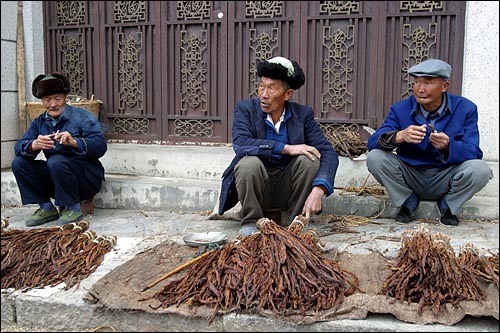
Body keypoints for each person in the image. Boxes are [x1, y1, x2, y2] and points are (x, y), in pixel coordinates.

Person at [217, 56, 339, 235]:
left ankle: (296, 220)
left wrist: (320, 188)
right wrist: (287, 148)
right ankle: (252, 220)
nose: (264, 95)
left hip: (286, 188)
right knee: (247, 163)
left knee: (309, 160)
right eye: (261, 86)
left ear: (287, 94)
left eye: (271, 88)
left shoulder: (302, 115)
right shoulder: (246, 109)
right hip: (259, 188)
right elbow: (241, 144)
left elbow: (328, 152)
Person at [366, 59, 493, 226]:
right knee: (375, 157)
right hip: (411, 174)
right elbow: (373, 141)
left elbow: (474, 151)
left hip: (446, 175)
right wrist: (399, 136)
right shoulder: (400, 109)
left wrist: (449, 146)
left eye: (428, 83)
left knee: (480, 169)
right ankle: (407, 199)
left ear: (444, 86)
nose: (420, 89)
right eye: (417, 82)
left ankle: (449, 203)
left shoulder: (466, 109)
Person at [12, 72, 107, 227]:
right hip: (58, 179)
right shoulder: (39, 122)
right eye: (47, 100)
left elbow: (100, 146)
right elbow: (19, 146)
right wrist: (33, 145)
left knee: (56, 160)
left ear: (65, 98)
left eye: (58, 98)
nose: (53, 104)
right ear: (42, 101)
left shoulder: (83, 117)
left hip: (86, 179)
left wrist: (74, 142)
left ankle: (73, 207)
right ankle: (46, 207)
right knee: (19, 163)